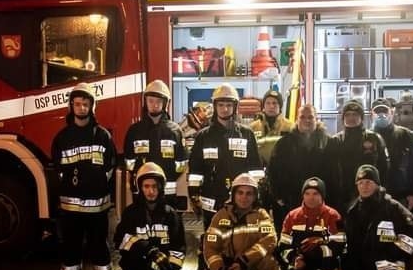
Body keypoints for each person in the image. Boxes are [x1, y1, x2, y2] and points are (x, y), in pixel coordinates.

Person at [51, 82, 117, 270]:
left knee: (100, 252)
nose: (81, 108)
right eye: (77, 104)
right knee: (70, 253)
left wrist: (99, 187)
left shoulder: (103, 136)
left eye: (85, 104)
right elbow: (58, 170)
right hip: (71, 210)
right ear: (71, 107)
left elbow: (110, 167)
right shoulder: (62, 137)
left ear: (92, 107)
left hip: (98, 208)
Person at [198, 173, 278, 270]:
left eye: (249, 193)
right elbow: (210, 247)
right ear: (233, 194)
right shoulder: (220, 216)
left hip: (249, 266)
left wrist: (244, 261)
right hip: (227, 269)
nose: (244, 197)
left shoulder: (261, 215)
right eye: (240, 192)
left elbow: (270, 239)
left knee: (268, 262)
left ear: (255, 196)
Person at [114, 162, 185, 270]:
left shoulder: (171, 215)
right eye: (146, 186)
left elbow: (179, 247)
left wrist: (169, 269)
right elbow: (120, 239)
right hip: (138, 264)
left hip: (161, 267)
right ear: (140, 187)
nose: (151, 191)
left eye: (154, 186)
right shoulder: (131, 213)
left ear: (161, 187)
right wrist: (148, 250)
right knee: (129, 263)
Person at [188, 83, 263, 228]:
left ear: (234, 107)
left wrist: (257, 194)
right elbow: (195, 170)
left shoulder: (247, 134)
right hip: (211, 199)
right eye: (221, 105)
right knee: (212, 240)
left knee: (240, 239)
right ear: (215, 107)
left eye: (228, 105)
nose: (224, 109)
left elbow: (255, 168)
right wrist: (193, 194)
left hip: (241, 200)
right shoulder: (203, 137)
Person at [277, 177, 342, 270]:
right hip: (301, 265)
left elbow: (340, 245)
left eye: (315, 194)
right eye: (307, 193)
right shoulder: (292, 217)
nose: (311, 198)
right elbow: (282, 247)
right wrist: (294, 259)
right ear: (302, 195)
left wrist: (319, 249)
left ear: (322, 196)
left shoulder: (334, 216)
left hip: (324, 267)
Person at [267, 104, 335, 235]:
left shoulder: (328, 143)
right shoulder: (284, 144)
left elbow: (335, 175)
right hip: (290, 203)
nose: (307, 120)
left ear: (317, 119)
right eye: (302, 117)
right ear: (297, 120)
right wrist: (278, 197)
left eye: (310, 117)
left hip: (321, 205)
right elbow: (273, 172)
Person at [124, 80, 186, 208]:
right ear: (145, 102)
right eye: (151, 101)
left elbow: (182, 163)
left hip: (167, 192)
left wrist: (167, 177)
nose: (154, 105)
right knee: (142, 227)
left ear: (165, 104)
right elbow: (128, 161)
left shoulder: (175, 131)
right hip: (142, 191)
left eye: (158, 101)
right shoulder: (134, 130)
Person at [371, 98, 413, 223]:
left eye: (385, 111)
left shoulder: (406, 135)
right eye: (378, 111)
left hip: (401, 196)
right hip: (375, 198)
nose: (382, 115)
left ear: (392, 112)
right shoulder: (368, 137)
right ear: (372, 114)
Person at [332, 100, 389, 214]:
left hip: (370, 195)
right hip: (342, 196)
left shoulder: (374, 138)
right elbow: (330, 170)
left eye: (355, 114)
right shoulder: (335, 141)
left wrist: (381, 191)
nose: (351, 118)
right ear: (343, 118)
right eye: (347, 114)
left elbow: (385, 167)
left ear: (362, 117)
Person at [249, 90, 294, 165]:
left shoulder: (290, 127)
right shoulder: (253, 127)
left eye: (274, 103)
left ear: (280, 106)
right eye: (268, 103)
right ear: (264, 106)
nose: (271, 106)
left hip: (283, 169)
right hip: (258, 170)